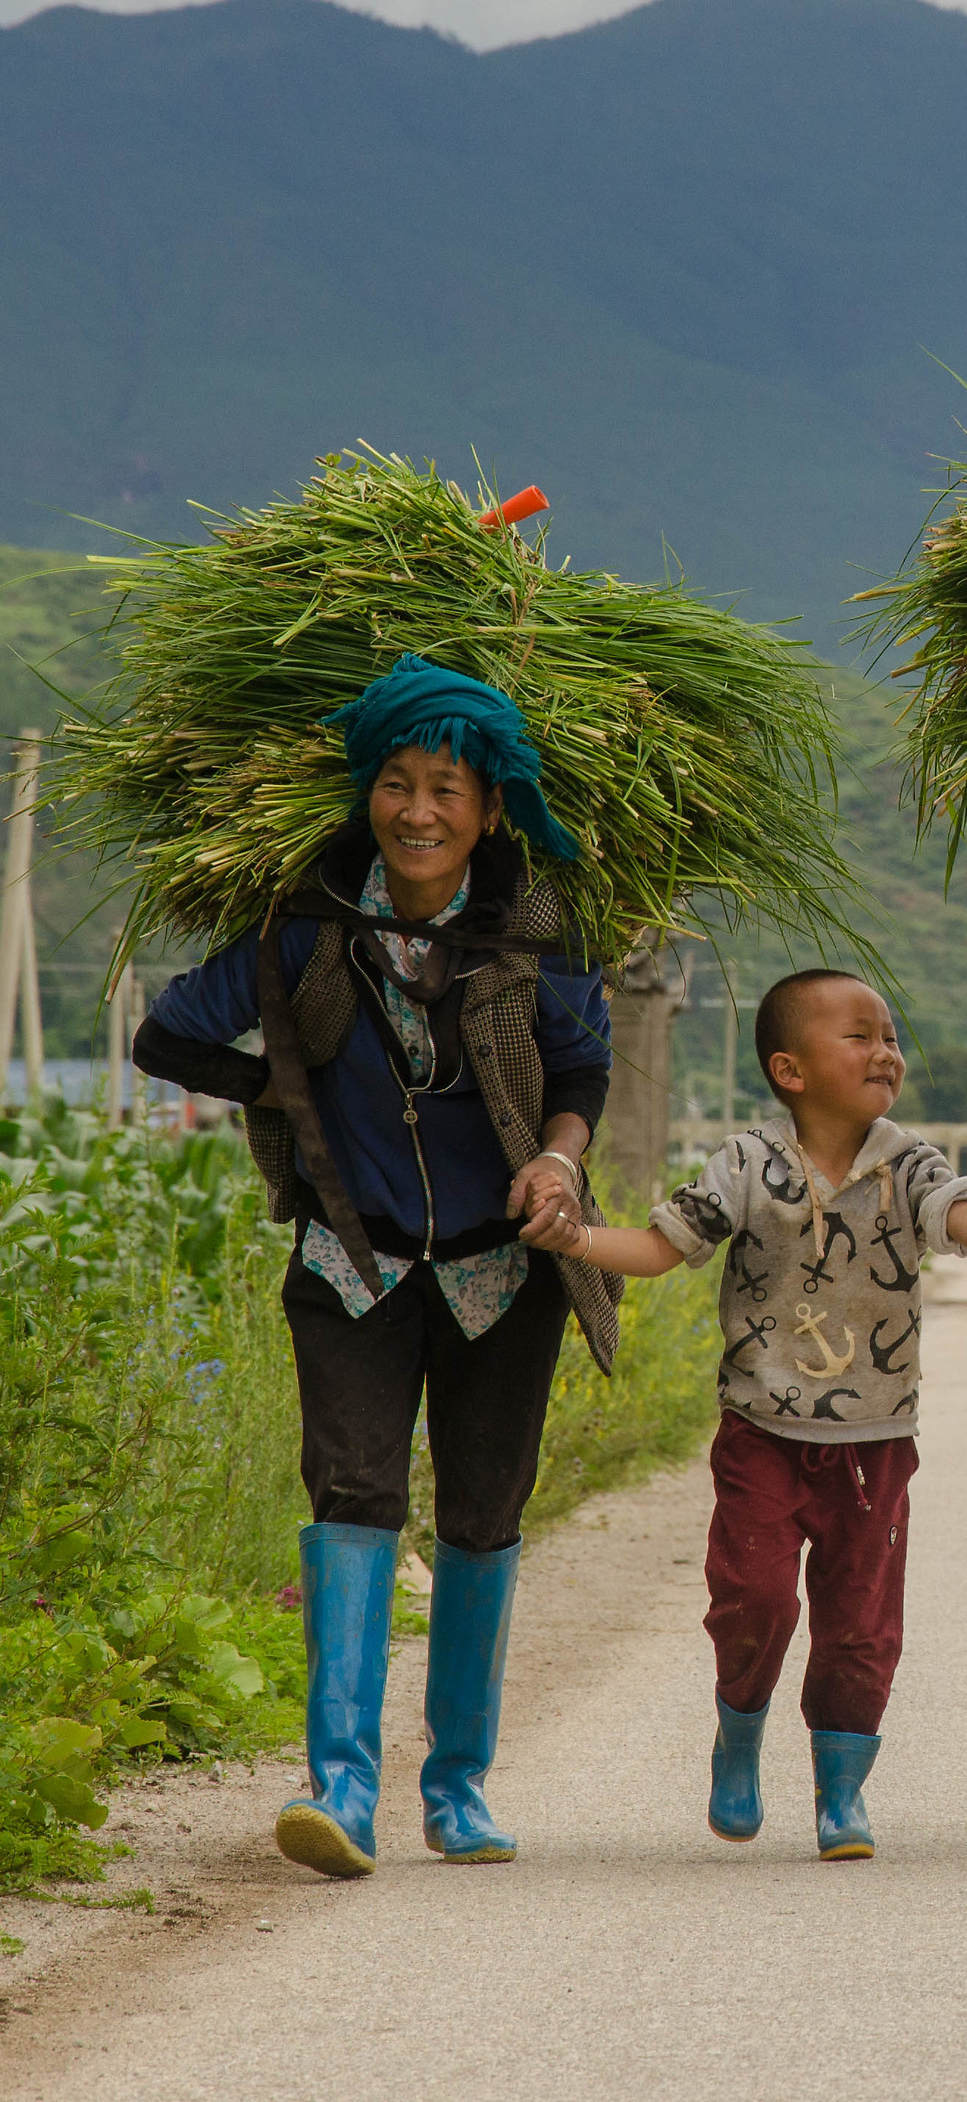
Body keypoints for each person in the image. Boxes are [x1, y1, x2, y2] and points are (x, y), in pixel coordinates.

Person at [133, 654, 622, 1879]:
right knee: (352, 1500)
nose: (416, 812)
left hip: (502, 1270)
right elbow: (167, 1033)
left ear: (490, 808)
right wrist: (285, 1095)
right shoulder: (305, 928)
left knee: (481, 1516)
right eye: (396, 784)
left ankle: (455, 1791)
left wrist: (558, 1165)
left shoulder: (537, 934)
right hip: (350, 1266)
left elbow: (580, 1077)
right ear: (369, 795)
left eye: (446, 789)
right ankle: (341, 1794)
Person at [524, 968, 967, 1860]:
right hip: (761, 1434)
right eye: (859, 1035)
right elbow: (659, 1246)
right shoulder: (746, 1165)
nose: (884, 1050)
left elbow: (964, 1213)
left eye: (889, 1036)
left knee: (861, 1628)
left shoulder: (908, 1163)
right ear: (789, 1068)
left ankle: (839, 1795)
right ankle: (738, 1738)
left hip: (873, 1444)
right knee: (753, 1600)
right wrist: (576, 1239)